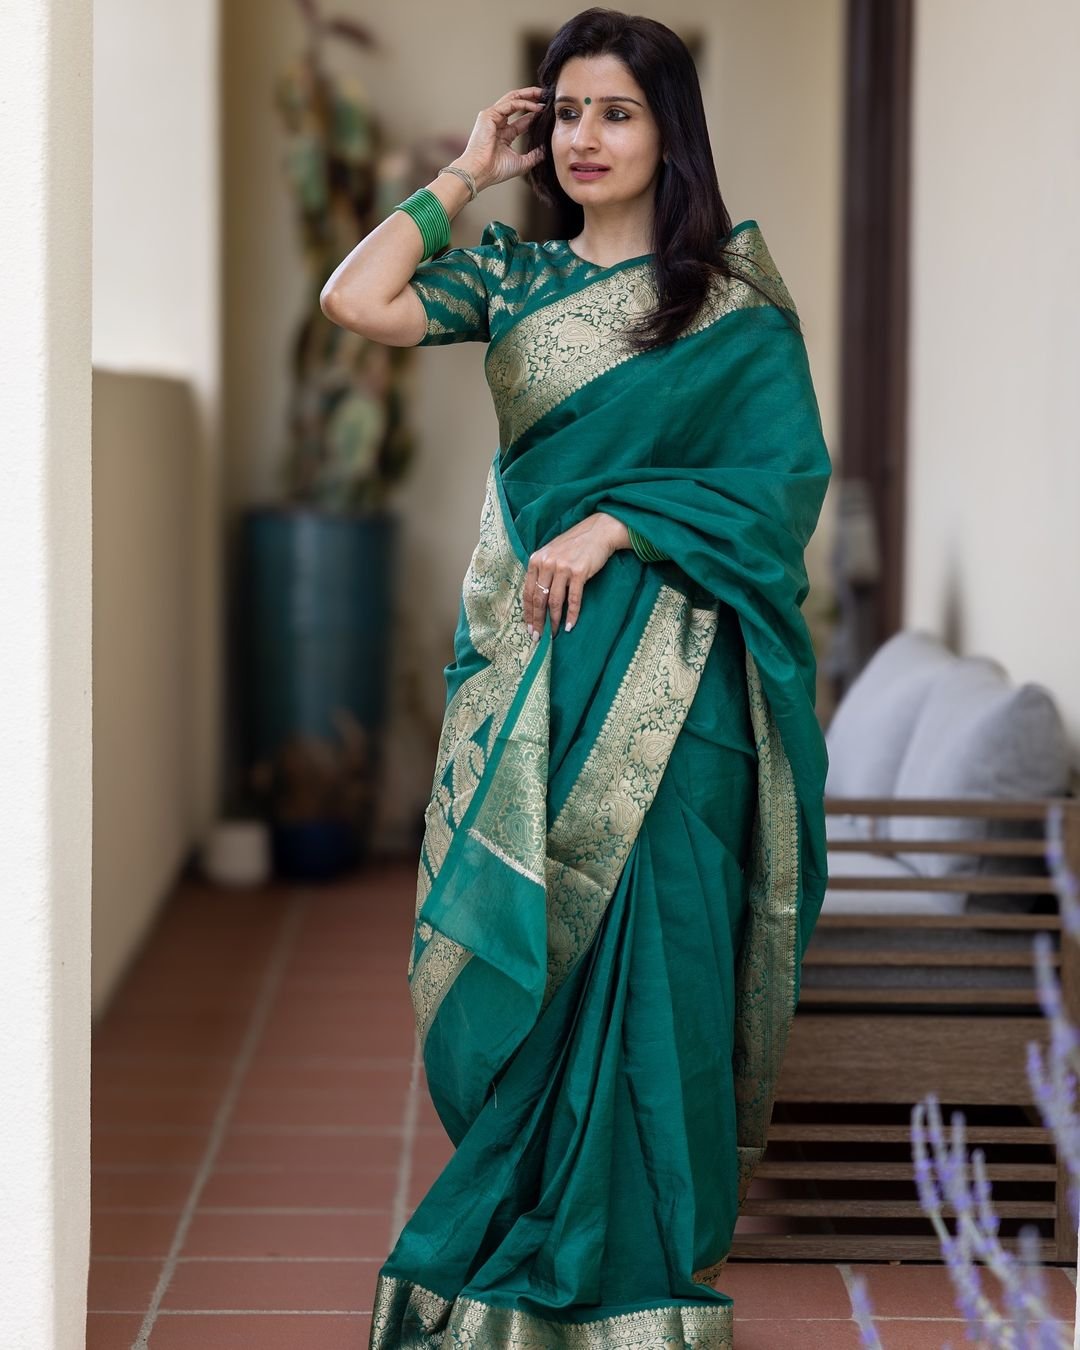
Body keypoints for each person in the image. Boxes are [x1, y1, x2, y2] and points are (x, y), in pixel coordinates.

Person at [321, 8, 832, 1346]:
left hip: (680, 680)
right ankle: (541, 1219)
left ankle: (644, 1267)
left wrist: (617, 524)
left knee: (660, 954)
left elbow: (781, 484)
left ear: (671, 133)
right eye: (565, 112)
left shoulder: (726, 301)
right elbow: (355, 300)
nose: (585, 138)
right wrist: (466, 172)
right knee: (544, 950)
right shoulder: (513, 277)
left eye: (618, 111)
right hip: (536, 673)